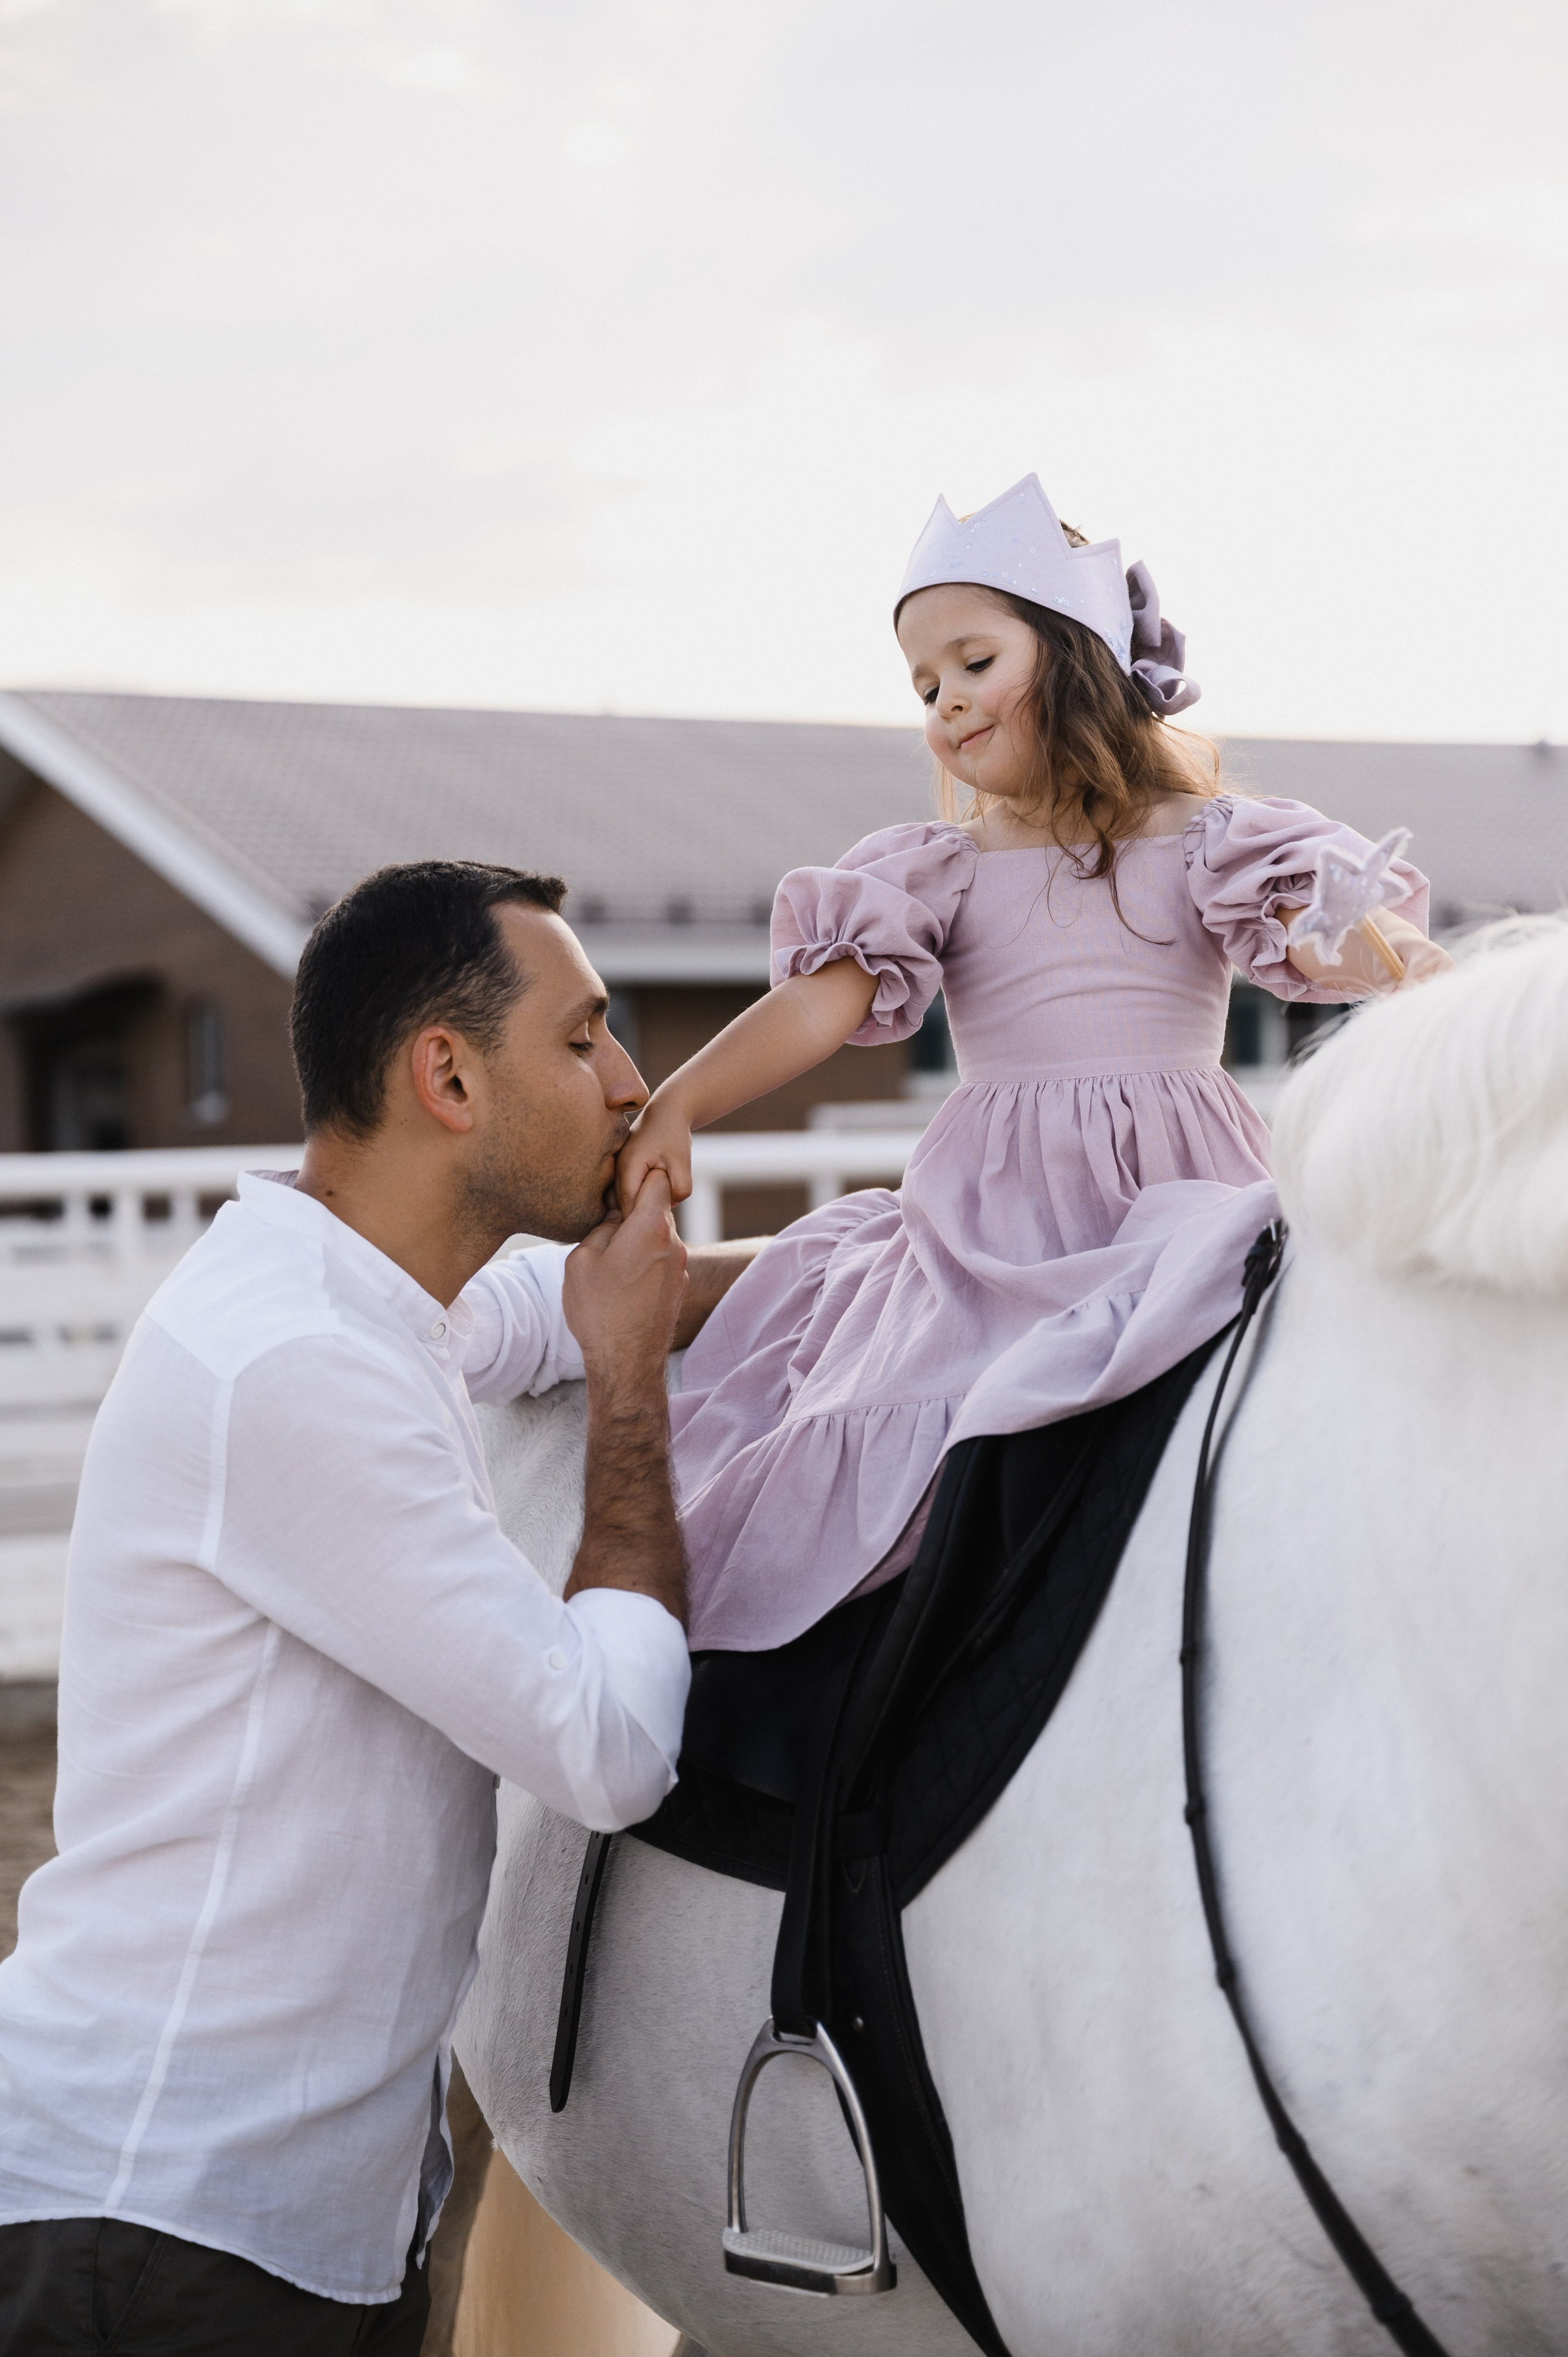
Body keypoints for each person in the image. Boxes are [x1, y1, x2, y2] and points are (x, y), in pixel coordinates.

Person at [0, 860, 757, 2354]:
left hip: (269, 2231)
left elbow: (551, 1312)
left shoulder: (358, 1299)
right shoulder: (293, 1365)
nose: (629, 1082)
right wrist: (624, 1388)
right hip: (158, 2240)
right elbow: (606, 1745)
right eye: (587, 1034)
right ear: (448, 1075)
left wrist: (886, 1263)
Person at [620, 475, 1453, 1652]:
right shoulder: (940, 870)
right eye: (923, 685)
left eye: (972, 662)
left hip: (1179, 1196)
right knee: (941, 1414)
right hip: (995, 1221)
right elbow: (816, 1009)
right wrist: (682, 1098)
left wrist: (1397, 956)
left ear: (1072, 656)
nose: (945, 705)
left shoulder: (1208, 842)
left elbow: (1336, 939)